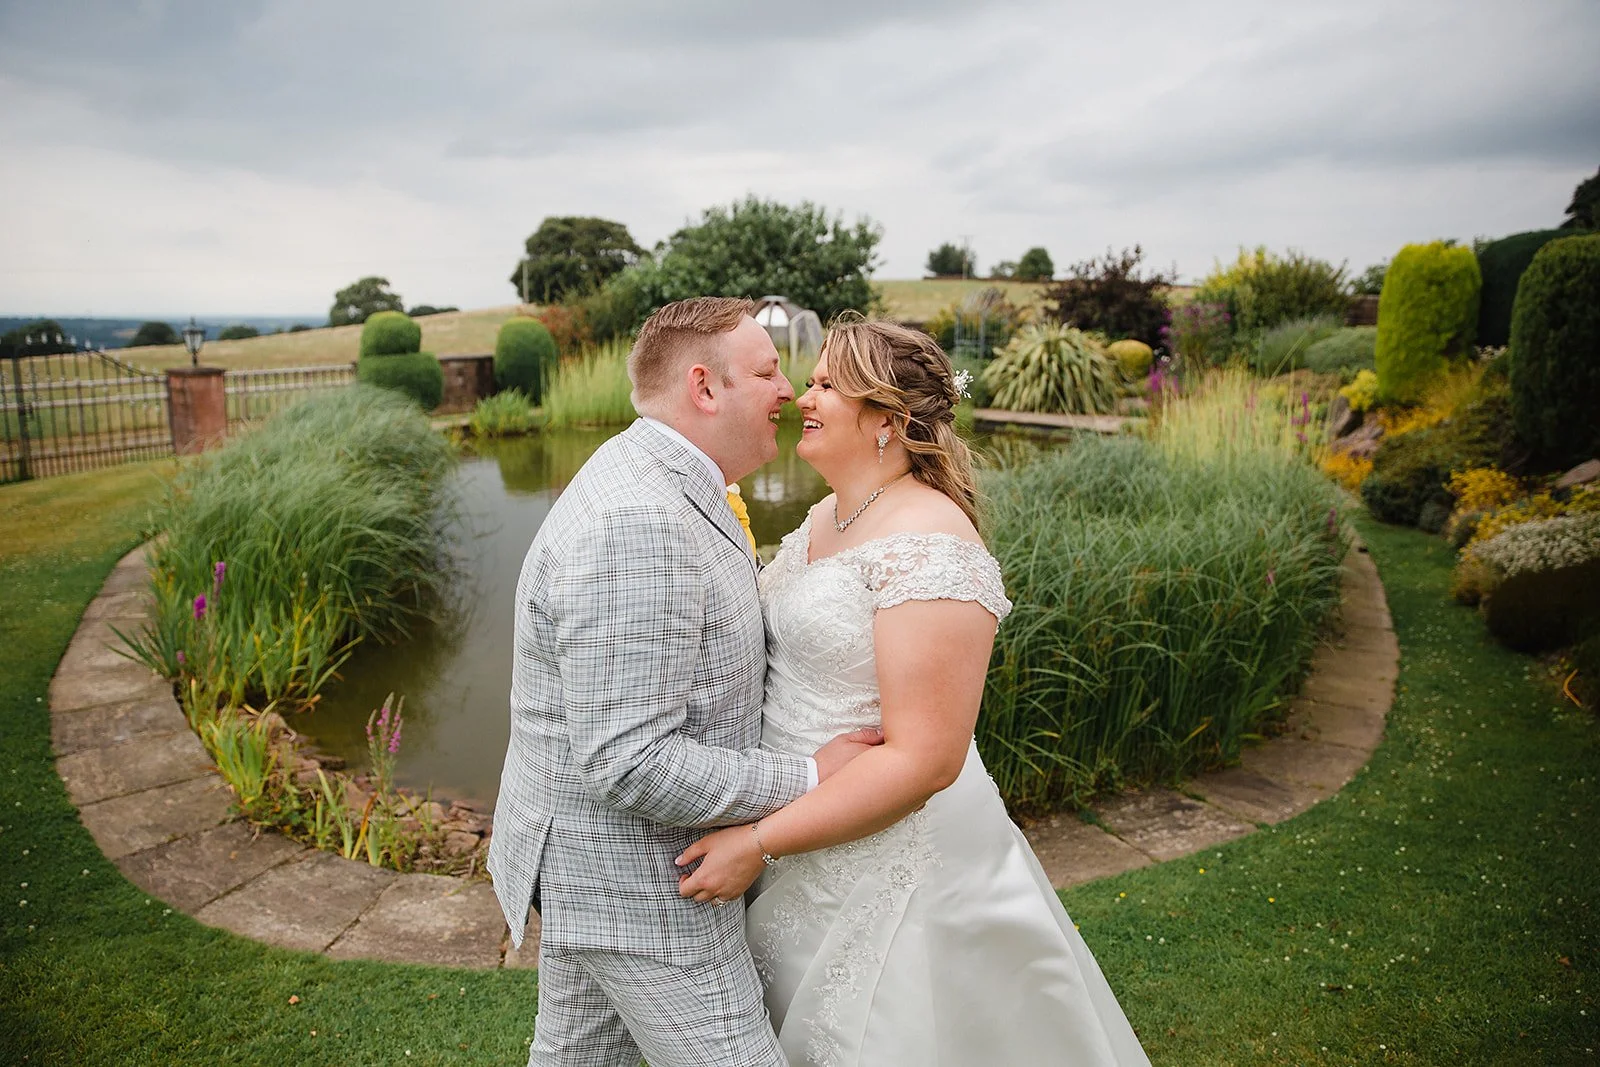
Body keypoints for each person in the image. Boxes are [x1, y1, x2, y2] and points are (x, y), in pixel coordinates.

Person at [676, 316, 1151, 1066]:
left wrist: (758, 840)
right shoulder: (826, 515)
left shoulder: (932, 543)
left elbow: (929, 759)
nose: (806, 394)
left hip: (893, 862)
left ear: (887, 421)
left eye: (829, 384)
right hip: (808, 835)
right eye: (813, 379)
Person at [488, 296, 882, 1067]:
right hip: (639, 879)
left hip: (596, 859)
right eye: (768, 371)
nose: (790, 390)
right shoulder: (642, 521)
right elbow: (628, 758)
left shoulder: (655, 473)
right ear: (705, 388)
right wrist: (809, 775)